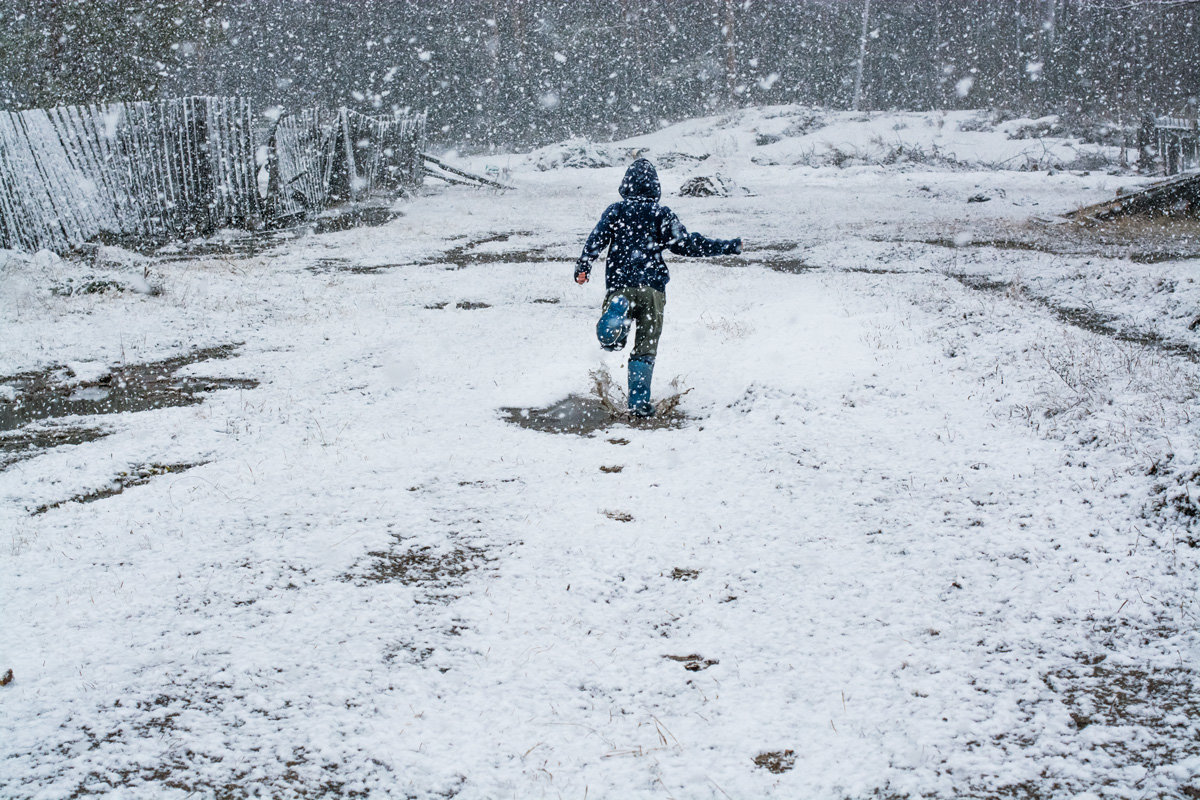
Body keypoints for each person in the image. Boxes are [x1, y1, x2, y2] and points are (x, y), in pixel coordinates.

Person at [574, 158, 743, 417]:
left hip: (621, 285)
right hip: (652, 291)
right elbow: (685, 244)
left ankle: (614, 324)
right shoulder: (661, 214)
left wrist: (584, 266)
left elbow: (596, 239)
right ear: (656, 187)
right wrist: (726, 246)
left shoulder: (615, 211)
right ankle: (639, 404)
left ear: (625, 186)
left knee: (610, 342)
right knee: (645, 348)